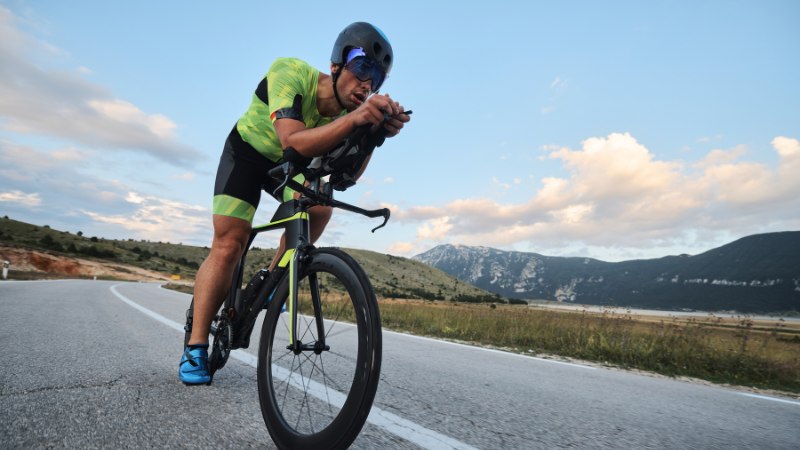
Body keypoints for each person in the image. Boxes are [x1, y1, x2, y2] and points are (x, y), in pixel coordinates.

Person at [179, 22, 411, 384]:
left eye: (377, 78)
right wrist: (355, 119)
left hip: (288, 167)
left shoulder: (348, 115)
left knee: (320, 205)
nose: (368, 84)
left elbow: (344, 179)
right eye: (363, 67)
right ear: (337, 64)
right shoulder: (289, 72)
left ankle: (275, 280)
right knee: (229, 245)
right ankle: (195, 348)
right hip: (246, 155)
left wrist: (375, 135)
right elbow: (294, 142)